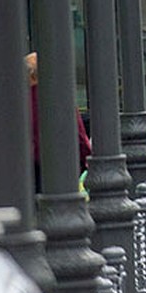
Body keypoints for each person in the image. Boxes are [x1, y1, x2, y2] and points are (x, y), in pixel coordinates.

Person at [26, 52, 91, 191]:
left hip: (27, 171)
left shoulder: (17, 102)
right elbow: (78, 134)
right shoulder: (60, 97)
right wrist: (85, 158)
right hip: (61, 167)